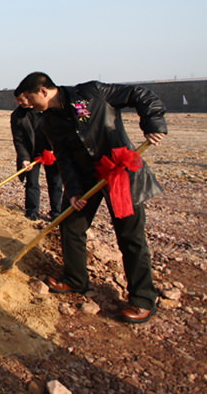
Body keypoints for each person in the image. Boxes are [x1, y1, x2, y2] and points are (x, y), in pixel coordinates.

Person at [15, 72, 167, 324]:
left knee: (130, 235)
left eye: (30, 97)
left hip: (118, 171)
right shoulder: (48, 122)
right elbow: (63, 157)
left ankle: (142, 298)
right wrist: (73, 191)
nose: (28, 103)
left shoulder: (91, 92)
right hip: (86, 179)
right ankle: (75, 279)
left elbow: (138, 94)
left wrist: (153, 123)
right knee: (71, 226)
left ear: (42, 91)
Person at [11, 95, 65, 220]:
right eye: (17, 100)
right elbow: (19, 140)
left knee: (55, 182)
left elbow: (60, 131)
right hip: (31, 153)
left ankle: (57, 212)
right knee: (32, 182)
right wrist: (24, 158)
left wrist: (55, 149)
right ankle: (32, 211)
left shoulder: (47, 110)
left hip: (51, 151)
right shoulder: (17, 116)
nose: (19, 102)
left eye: (21, 99)